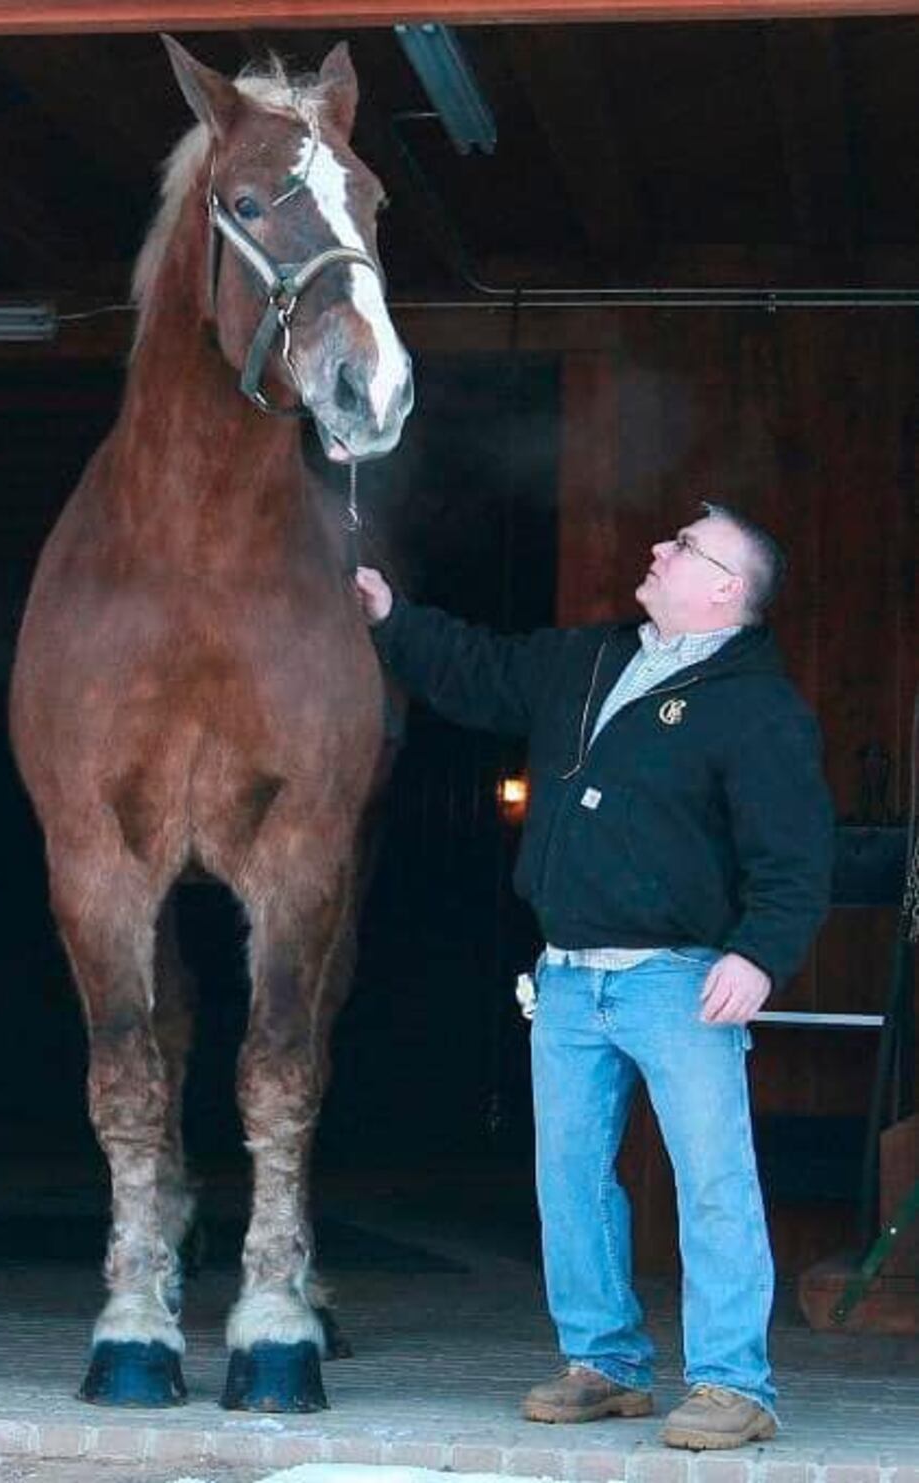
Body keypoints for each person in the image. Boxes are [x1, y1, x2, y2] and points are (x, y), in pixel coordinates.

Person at [355, 502, 834, 1451]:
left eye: (685, 547)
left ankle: (735, 1382)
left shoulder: (756, 703)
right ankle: (607, 1364)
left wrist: (761, 954)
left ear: (726, 590)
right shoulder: (589, 658)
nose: (659, 549)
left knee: (712, 1182)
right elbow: (480, 670)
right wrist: (386, 615)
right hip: (569, 976)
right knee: (570, 1178)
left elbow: (796, 850)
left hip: (681, 979)